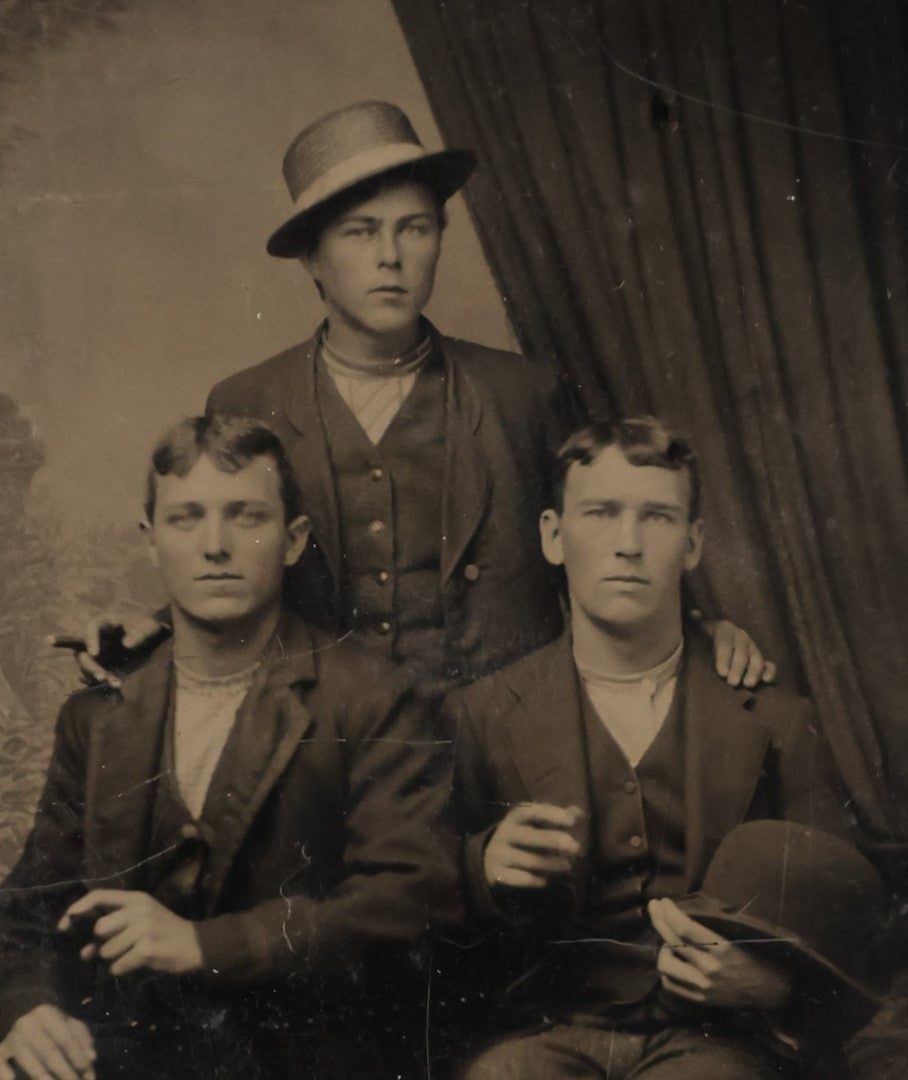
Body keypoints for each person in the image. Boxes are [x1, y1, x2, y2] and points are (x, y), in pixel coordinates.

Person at [69, 101, 772, 694]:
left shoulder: (524, 393)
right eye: (360, 232)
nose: (390, 257)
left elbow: (608, 530)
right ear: (314, 259)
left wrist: (704, 627)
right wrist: (160, 626)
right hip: (328, 740)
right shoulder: (249, 397)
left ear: (439, 239)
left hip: (503, 736)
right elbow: (230, 550)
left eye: (415, 228)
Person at [0, 415, 458, 1079]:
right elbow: (28, 912)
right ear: (150, 537)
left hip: (303, 1057)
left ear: (293, 539)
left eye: (246, 516)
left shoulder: (371, 696)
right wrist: (25, 1009)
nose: (214, 545)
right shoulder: (99, 713)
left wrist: (204, 944)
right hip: (133, 1055)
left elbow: (411, 901)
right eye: (186, 518)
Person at [446, 417, 870, 1079]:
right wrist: (482, 866)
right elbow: (425, 918)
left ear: (694, 543)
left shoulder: (780, 720)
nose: (628, 544)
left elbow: (855, 923)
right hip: (549, 1034)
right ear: (554, 537)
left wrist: (772, 987)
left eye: (658, 517)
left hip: (721, 1042)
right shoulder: (482, 715)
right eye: (601, 513)